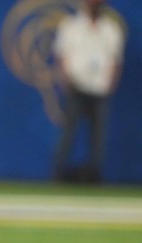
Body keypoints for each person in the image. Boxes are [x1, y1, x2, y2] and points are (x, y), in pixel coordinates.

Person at [52, 0, 124, 184]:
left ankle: (94, 174)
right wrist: (66, 81)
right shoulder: (71, 26)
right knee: (68, 133)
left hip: (99, 88)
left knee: (98, 135)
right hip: (76, 87)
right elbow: (61, 56)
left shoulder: (110, 29)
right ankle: (58, 173)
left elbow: (115, 60)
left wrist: (110, 84)